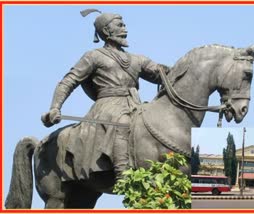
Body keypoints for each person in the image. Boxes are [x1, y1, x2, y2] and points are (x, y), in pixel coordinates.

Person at [41, 10, 169, 182]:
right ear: (106, 31)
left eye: (124, 25)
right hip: (108, 106)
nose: (125, 29)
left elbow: (162, 74)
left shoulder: (137, 59)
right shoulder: (93, 56)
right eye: (120, 25)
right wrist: (55, 107)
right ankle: (123, 174)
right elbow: (68, 82)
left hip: (134, 104)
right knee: (122, 123)